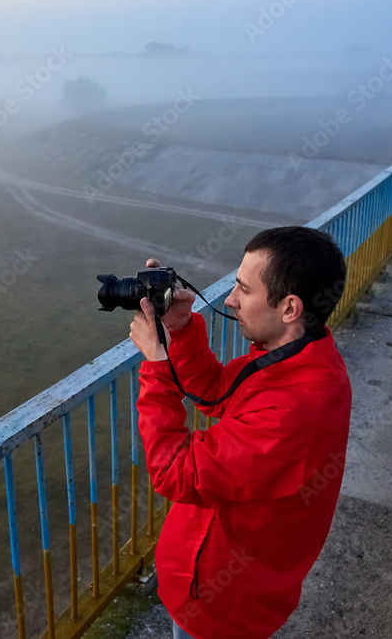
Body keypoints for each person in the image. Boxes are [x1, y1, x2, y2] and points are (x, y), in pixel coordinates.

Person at [128, 226, 352, 639]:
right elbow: (215, 391)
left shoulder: (298, 407)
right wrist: (181, 328)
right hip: (205, 580)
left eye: (244, 290)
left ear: (289, 308)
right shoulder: (296, 358)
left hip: (221, 607)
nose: (230, 299)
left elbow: (174, 470)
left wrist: (157, 365)